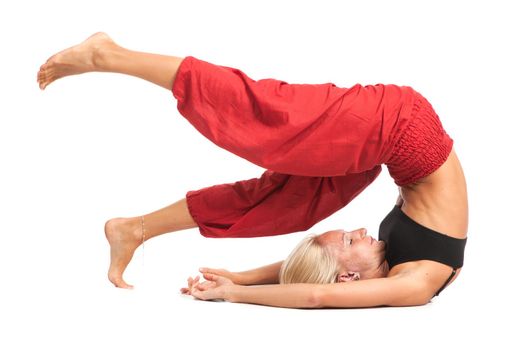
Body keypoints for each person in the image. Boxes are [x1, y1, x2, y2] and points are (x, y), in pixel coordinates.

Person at [37, 32, 468, 308]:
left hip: (382, 148)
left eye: (347, 239)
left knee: (288, 204)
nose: (358, 231)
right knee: (269, 117)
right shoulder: (415, 282)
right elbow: (318, 294)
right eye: (351, 239)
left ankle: (135, 228)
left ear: (351, 274)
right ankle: (109, 55)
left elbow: (312, 277)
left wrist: (239, 276)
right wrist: (236, 295)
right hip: (398, 125)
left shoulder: (384, 267)